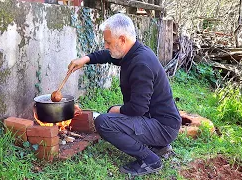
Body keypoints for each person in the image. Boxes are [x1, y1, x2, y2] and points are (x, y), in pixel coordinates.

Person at [68, 13, 181, 176]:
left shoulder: (141, 63)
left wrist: (117, 109)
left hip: (163, 127)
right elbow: (108, 55)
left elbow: (138, 109)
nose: (106, 46)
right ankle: (159, 146)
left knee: (104, 122)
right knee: (110, 117)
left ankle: (150, 160)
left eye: (108, 42)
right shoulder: (133, 52)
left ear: (122, 40)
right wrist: (85, 59)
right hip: (158, 121)